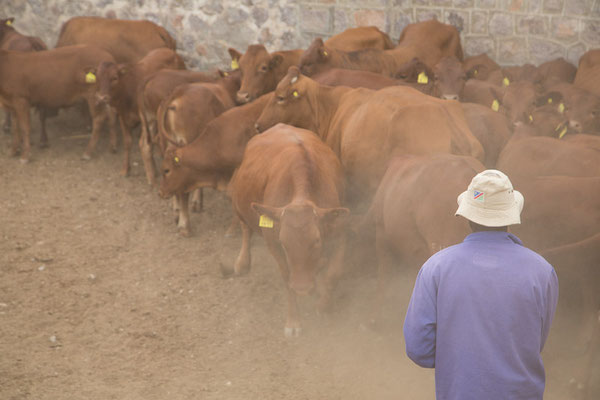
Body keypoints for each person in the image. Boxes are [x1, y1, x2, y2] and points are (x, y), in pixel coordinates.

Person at [403, 169, 559, 400]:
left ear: (467, 217)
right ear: (510, 214)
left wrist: (459, 359)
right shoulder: (542, 271)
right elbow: (536, 341)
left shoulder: (436, 268)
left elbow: (419, 349)